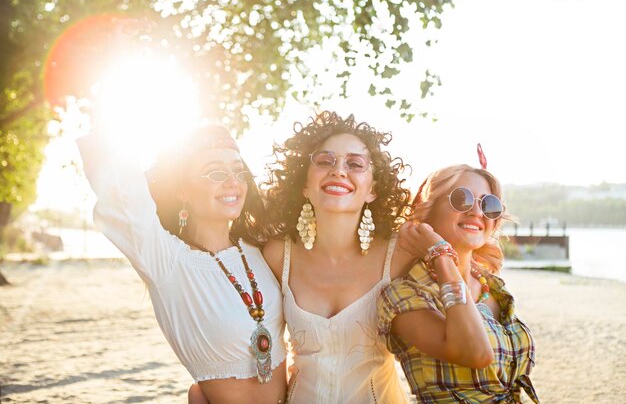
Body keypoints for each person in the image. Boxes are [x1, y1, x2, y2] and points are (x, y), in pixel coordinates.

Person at [78, 125, 287, 403]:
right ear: (182, 191)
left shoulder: (259, 248)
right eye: (216, 172)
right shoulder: (167, 259)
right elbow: (120, 191)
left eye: (239, 171)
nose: (233, 182)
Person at [262, 111, 414, 403]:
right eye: (324, 161)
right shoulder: (278, 255)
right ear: (304, 184)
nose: (339, 170)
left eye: (355, 164)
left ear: (373, 190)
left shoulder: (399, 255)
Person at [378, 163, 539, 403]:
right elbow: (475, 353)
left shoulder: (492, 285)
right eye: (462, 199)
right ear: (429, 210)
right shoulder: (405, 294)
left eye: (488, 204)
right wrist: (440, 255)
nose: (477, 212)